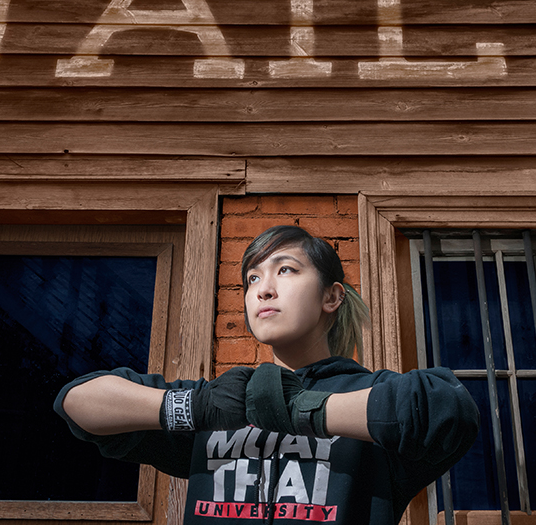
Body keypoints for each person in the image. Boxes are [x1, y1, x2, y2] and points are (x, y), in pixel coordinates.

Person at [54, 225, 479, 524]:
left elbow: (447, 410)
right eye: (252, 278)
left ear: (332, 296)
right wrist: (194, 405)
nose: (263, 288)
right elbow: (78, 403)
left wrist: (303, 409)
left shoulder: (372, 392)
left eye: (286, 269)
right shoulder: (220, 405)